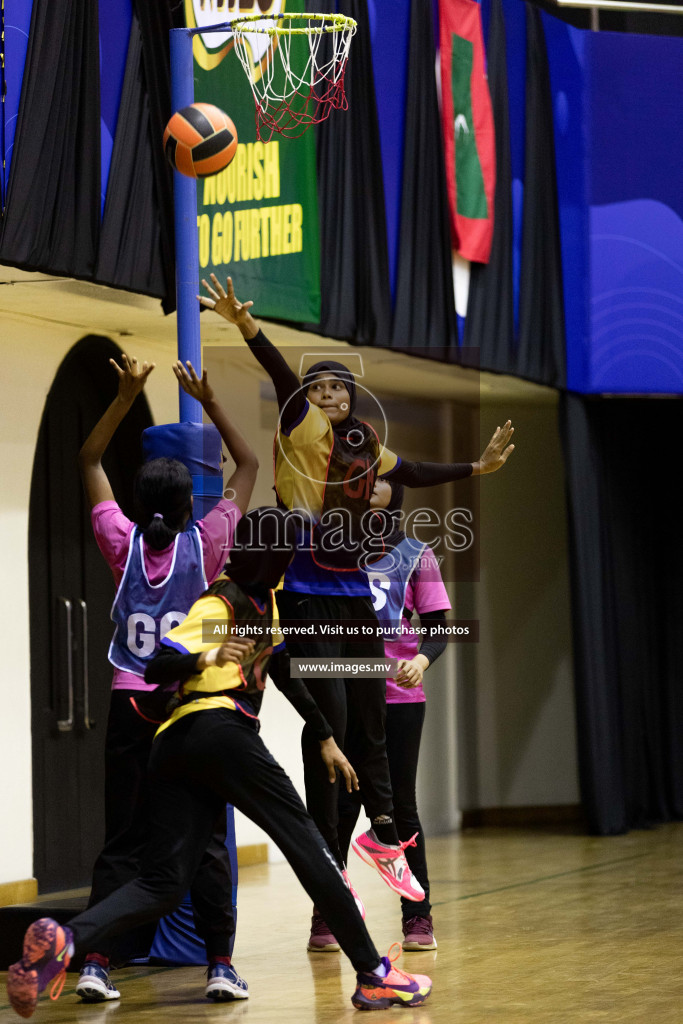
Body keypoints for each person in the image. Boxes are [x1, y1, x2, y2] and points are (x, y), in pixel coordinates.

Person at [6, 509, 433, 1020]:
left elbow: (283, 672)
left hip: (176, 746)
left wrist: (323, 736)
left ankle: (63, 940)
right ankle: (374, 976)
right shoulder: (220, 600)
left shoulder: (264, 603)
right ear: (273, 556)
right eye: (288, 550)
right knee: (310, 847)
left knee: (163, 882)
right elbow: (159, 662)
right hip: (218, 732)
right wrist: (206, 658)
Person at [198, 275, 515, 949]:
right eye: (320, 390)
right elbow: (280, 372)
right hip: (307, 591)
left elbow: (417, 470)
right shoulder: (302, 424)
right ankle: (332, 891)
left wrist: (474, 468)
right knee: (332, 734)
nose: (329, 398)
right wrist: (248, 329)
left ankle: (388, 846)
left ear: (352, 398)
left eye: (337, 389)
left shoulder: (365, 448)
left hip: (350, 605)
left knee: (368, 735)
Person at [75, 353, 258, 1003]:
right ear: (189, 506)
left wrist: (125, 396)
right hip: (188, 712)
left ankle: (95, 962)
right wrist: (208, 401)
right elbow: (248, 467)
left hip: (131, 706)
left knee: (122, 841)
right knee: (205, 841)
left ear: (140, 503)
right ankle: (219, 964)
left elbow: (90, 461)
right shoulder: (206, 543)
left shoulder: (120, 541)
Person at [338, 477, 450, 952]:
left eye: (379, 481)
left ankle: (418, 917)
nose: (369, 488)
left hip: (400, 700)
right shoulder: (332, 549)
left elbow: (441, 629)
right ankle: (328, 913)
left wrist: (420, 660)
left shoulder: (415, 554)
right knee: (339, 807)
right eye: (360, 481)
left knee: (401, 803)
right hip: (345, 697)